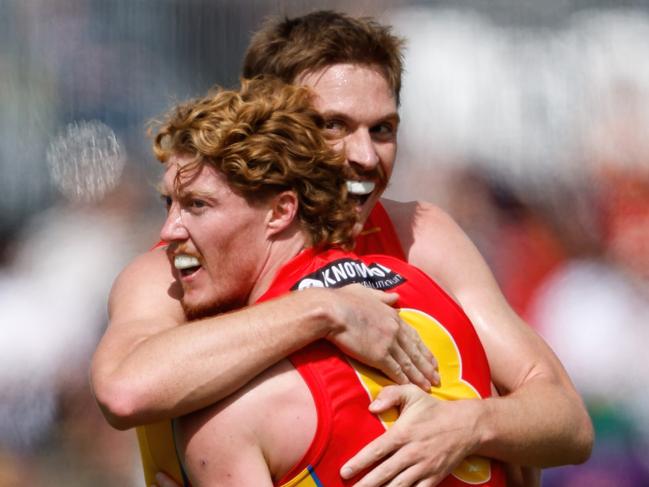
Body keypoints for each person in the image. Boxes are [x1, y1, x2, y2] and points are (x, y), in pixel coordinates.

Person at [90, 10, 592, 487]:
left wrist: (469, 424)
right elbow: (124, 390)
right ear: (272, 129)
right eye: (333, 125)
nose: (365, 156)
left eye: (383, 129)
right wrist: (325, 309)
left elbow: (567, 419)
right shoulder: (179, 268)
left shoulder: (420, 237)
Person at [157, 77, 505, 486]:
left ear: (280, 211)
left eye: (197, 205)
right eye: (168, 203)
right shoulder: (430, 291)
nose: (167, 231)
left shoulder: (225, 414)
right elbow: (526, 465)